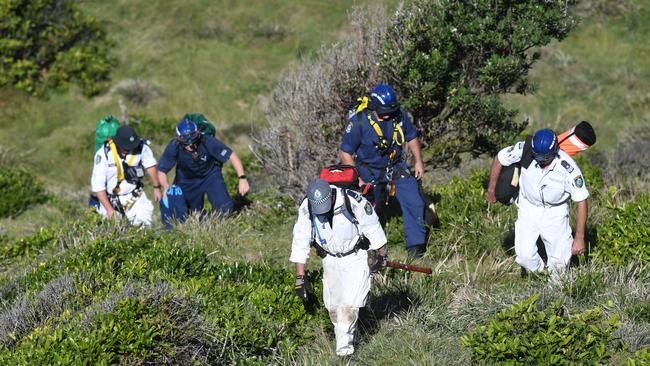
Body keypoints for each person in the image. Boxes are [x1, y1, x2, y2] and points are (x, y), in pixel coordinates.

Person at [290, 179, 387, 357]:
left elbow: (373, 227)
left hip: (355, 256)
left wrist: (381, 255)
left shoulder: (353, 200)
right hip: (330, 259)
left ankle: (344, 353)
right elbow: (300, 241)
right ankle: (349, 337)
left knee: (350, 305)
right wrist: (300, 277)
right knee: (334, 309)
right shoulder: (307, 206)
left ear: (331, 196)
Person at [339, 83, 427, 258]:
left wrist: (418, 161)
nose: (388, 114)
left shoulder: (398, 115)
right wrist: (357, 179)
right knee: (369, 208)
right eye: (384, 111)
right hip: (367, 169)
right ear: (374, 107)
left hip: (395, 166)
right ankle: (369, 249)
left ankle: (416, 248)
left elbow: (411, 136)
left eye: (391, 110)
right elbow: (345, 152)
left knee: (414, 201)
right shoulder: (359, 122)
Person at [486, 128, 589, 276]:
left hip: (555, 212)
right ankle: (541, 274)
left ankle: (556, 286)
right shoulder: (526, 149)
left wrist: (579, 238)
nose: (540, 160)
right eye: (537, 156)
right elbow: (500, 158)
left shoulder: (569, 168)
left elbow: (582, 201)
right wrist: (491, 189)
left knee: (560, 263)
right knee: (524, 257)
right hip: (528, 207)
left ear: (555, 151)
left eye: (544, 158)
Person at [157, 117, 249, 221]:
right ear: (179, 139)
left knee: (225, 208)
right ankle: (203, 220)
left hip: (210, 175)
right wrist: (165, 186)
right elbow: (162, 171)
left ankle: (217, 223)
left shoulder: (207, 140)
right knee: (189, 215)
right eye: (186, 143)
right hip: (187, 180)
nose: (191, 145)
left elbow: (232, 155)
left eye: (193, 141)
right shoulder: (174, 146)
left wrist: (242, 178)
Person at [91, 124, 161, 226]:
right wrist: (110, 210)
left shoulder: (141, 147)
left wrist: (156, 187)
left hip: (134, 196)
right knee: (113, 233)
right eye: (126, 147)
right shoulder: (103, 154)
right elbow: (98, 186)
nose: (130, 149)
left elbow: (150, 165)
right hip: (110, 200)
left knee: (145, 228)